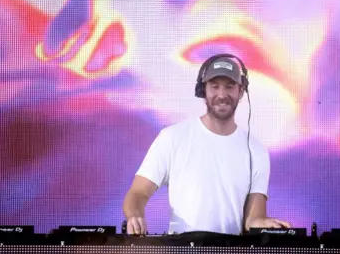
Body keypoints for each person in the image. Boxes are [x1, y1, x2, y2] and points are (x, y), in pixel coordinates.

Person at [123, 54, 291, 235]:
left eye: (229, 86)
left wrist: (266, 225)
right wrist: (135, 216)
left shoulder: (256, 151)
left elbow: (253, 219)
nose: (222, 94)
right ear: (203, 90)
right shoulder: (171, 138)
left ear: (241, 91)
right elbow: (138, 193)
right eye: (215, 86)